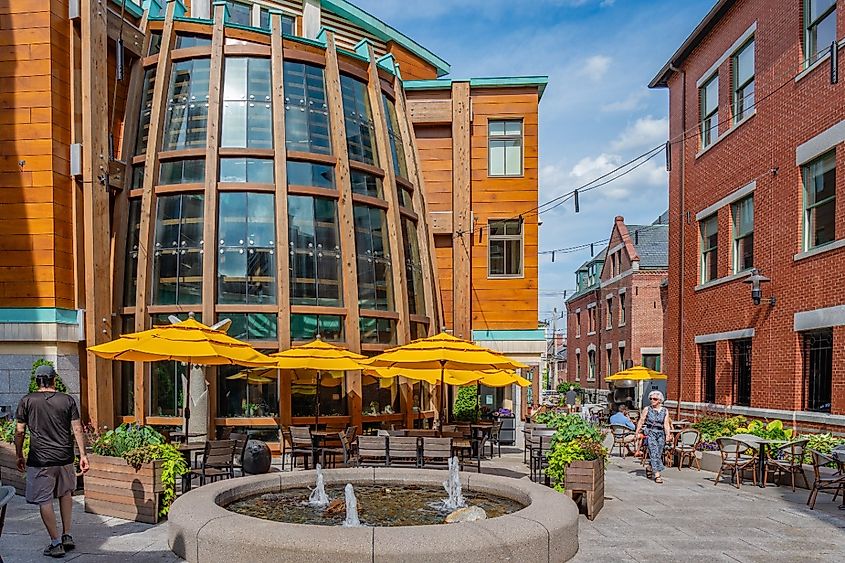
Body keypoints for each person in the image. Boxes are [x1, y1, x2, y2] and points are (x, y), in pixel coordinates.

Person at [15, 365, 89, 558]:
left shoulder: (27, 401)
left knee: (44, 499)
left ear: (37, 381)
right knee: (66, 494)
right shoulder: (67, 400)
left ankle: (56, 543)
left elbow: (20, 431)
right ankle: (67, 535)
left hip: (40, 460)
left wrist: (18, 454)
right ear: (54, 380)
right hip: (64, 458)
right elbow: (77, 429)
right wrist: (83, 455)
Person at [634, 390, 672, 484]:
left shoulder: (665, 410)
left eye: (654, 399)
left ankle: (650, 467)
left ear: (660, 400)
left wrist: (667, 434)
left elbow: (666, 424)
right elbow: (642, 420)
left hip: (660, 433)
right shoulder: (647, 409)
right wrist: (637, 431)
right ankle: (657, 475)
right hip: (650, 432)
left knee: (658, 453)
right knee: (653, 451)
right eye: (651, 398)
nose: (652, 400)